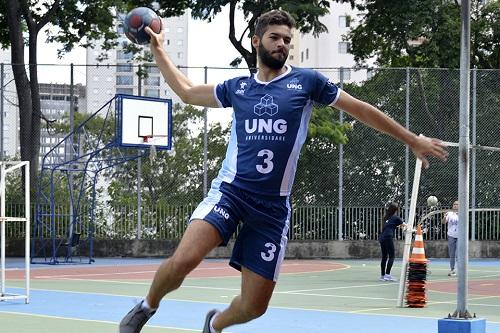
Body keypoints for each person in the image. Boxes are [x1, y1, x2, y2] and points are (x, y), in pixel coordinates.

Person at [119, 9, 449, 333]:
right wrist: (159, 49)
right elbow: (187, 91)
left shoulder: (306, 82)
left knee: (254, 307)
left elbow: (360, 110)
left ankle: (215, 323)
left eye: (287, 40)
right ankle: (147, 306)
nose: (282, 44)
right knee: (184, 260)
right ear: (256, 41)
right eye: (275, 37)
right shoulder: (238, 88)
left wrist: (411, 139)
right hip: (231, 192)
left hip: (272, 208)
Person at [378, 202, 406, 282]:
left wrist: (399, 226)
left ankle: (383, 276)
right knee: (392, 256)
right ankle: (387, 275)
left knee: (384, 257)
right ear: (396, 210)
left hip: (382, 237)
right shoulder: (396, 217)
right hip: (388, 237)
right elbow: (404, 225)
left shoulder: (386, 217)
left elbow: (392, 225)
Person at [442, 200, 459, 277]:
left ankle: (461, 270)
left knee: (459, 253)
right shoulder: (449, 213)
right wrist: (444, 217)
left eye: (457, 204)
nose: (455, 205)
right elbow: (443, 222)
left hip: (460, 236)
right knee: (452, 254)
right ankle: (452, 269)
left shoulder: (463, 213)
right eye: (454, 204)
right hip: (451, 236)